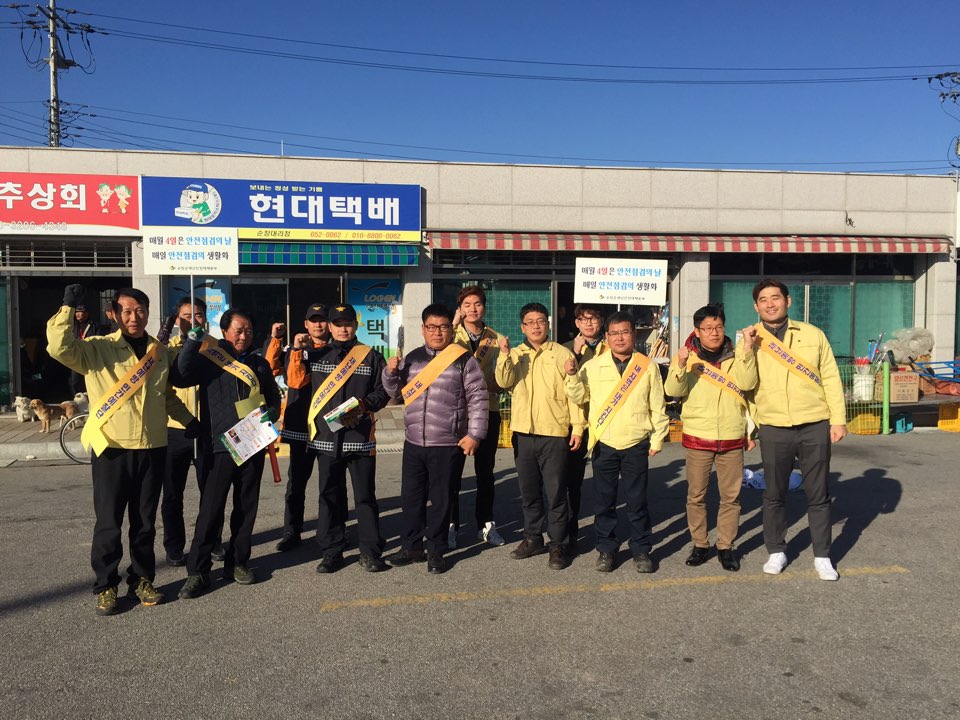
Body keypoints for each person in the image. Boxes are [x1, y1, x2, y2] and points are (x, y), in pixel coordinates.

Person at [47, 284, 197, 616]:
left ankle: (142, 579)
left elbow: (166, 396)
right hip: (112, 449)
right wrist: (67, 308)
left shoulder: (158, 351)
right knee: (109, 522)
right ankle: (106, 585)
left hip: (152, 447)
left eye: (140, 310)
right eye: (126, 311)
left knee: (144, 523)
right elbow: (59, 347)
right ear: (113, 314)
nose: (133, 317)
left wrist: (189, 421)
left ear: (147, 312)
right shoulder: (96, 349)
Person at [737, 278, 846, 581]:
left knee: (818, 493)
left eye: (775, 297)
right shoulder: (748, 337)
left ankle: (823, 556)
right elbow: (744, 383)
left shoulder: (812, 334)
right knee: (774, 493)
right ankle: (776, 550)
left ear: (788, 301)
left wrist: (838, 419)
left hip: (814, 423)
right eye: (763, 300)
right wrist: (747, 348)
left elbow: (831, 377)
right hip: (774, 426)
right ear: (756, 306)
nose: (770, 304)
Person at [176, 309, 281, 598]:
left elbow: (273, 396)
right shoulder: (209, 358)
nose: (244, 335)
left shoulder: (259, 363)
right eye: (238, 330)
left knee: (246, 508)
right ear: (224, 331)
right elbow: (180, 376)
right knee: (210, 510)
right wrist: (191, 342)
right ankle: (198, 571)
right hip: (218, 446)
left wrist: (273, 412)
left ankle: (238, 563)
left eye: (248, 330)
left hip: (252, 444)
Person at [383, 304, 488, 574]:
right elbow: (396, 392)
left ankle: (437, 550)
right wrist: (390, 373)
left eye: (443, 327)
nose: (437, 332)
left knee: (442, 500)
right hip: (414, 441)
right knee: (411, 498)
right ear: (423, 329)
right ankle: (411, 547)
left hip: (447, 442)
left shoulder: (464, 359)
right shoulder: (413, 358)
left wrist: (474, 434)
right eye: (432, 327)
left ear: (451, 329)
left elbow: (478, 398)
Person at [564, 312, 669, 573]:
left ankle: (641, 550)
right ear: (607, 337)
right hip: (604, 442)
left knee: (637, 501)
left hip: (636, 442)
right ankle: (606, 549)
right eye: (614, 333)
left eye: (625, 332)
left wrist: (657, 438)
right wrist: (572, 375)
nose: (619, 338)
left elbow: (658, 405)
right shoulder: (593, 365)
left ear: (633, 334)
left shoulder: (647, 366)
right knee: (604, 501)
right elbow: (579, 396)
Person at [495, 302, 586, 570]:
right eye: (530, 322)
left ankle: (558, 544)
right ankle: (533, 538)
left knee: (556, 492)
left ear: (548, 324)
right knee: (529, 491)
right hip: (523, 433)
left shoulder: (562, 353)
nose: (536, 326)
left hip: (554, 433)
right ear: (522, 327)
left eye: (540, 321)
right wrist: (504, 355)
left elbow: (573, 394)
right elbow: (503, 381)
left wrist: (578, 427)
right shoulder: (515, 354)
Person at [664, 304, 753, 572]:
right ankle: (700, 544)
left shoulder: (737, 355)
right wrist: (680, 365)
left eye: (718, 327)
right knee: (696, 495)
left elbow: (748, 385)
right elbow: (672, 389)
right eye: (708, 328)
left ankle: (725, 546)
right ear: (697, 331)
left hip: (731, 435)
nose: (714, 333)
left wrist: (748, 352)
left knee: (731, 497)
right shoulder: (687, 357)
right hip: (698, 436)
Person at [303, 304, 390, 574]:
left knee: (365, 497)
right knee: (329, 497)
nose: (343, 329)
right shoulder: (315, 355)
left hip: (359, 437)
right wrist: (293, 350)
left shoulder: (372, 356)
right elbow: (294, 381)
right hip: (326, 439)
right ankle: (332, 552)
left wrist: (364, 404)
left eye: (348, 323)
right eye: (338, 324)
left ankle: (370, 552)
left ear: (356, 325)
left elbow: (383, 391)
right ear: (329, 327)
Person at [265, 303, 330, 552]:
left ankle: (330, 532)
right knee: (296, 484)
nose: (318, 324)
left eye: (322, 319)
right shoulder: (293, 349)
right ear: (305, 324)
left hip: (327, 427)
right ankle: (291, 532)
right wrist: (279, 339)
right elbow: (273, 370)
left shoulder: (337, 351)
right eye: (313, 320)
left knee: (330, 484)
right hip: (299, 426)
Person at [450, 285, 505, 548]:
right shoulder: (451, 335)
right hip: (456, 412)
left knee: (485, 473)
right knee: (452, 474)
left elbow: (504, 376)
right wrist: (452, 325)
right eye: (467, 304)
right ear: (460, 308)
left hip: (487, 410)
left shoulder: (496, 338)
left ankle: (486, 525)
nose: (473, 309)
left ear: (484, 307)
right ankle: (450, 525)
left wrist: (498, 384)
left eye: (478, 304)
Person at [160, 297, 209, 567]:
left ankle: (209, 541)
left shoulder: (215, 348)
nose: (193, 320)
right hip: (176, 428)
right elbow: (163, 390)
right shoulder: (166, 349)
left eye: (198, 315)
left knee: (210, 493)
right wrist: (186, 419)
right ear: (178, 320)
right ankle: (174, 546)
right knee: (172, 494)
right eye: (187, 316)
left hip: (207, 429)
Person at [562, 304, 608, 553]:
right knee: (572, 482)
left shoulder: (611, 347)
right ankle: (570, 533)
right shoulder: (565, 349)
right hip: (576, 423)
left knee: (604, 481)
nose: (588, 323)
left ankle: (605, 536)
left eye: (593, 318)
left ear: (601, 321)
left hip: (605, 421)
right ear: (576, 323)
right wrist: (576, 355)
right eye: (583, 318)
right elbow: (564, 385)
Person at [68, 303, 102, 395]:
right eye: (77, 312)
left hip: (89, 354)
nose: (78, 314)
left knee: (90, 377)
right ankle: (77, 396)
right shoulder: (72, 324)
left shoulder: (93, 325)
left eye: (81, 312)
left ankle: (89, 396)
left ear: (86, 313)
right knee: (74, 379)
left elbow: (98, 339)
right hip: (76, 354)